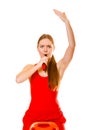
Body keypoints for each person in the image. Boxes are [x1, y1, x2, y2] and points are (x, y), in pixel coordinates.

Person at [16, 9, 76, 130]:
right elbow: (18, 79)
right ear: (37, 48)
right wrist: (38, 66)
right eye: (42, 46)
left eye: (49, 46)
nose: (45, 49)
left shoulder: (59, 67)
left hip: (55, 119)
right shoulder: (30, 68)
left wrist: (66, 22)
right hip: (33, 118)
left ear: (53, 49)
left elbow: (72, 46)